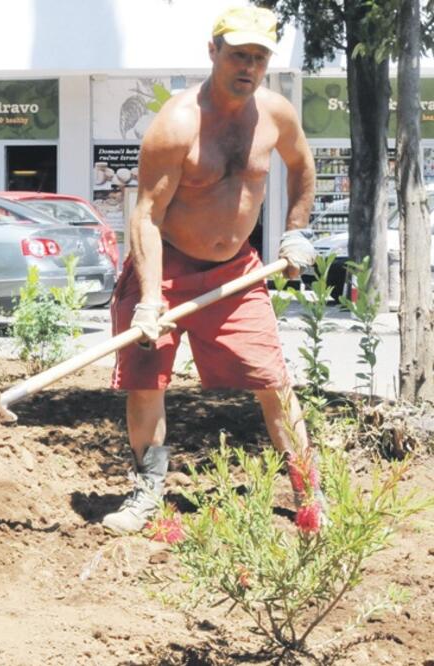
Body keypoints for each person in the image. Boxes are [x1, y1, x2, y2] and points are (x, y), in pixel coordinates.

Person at [101, 7, 320, 535]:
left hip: (236, 275)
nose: (248, 66)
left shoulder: (276, 115)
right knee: (146, 381)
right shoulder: (176, 125)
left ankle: (310, 497)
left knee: (273, 381)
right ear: (213, 52)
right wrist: (151, 298)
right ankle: (147, 492)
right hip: (167, 267)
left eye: (259, 57)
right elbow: (147, 216)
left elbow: (303, 167)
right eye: (238, 54)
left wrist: (295, 231)